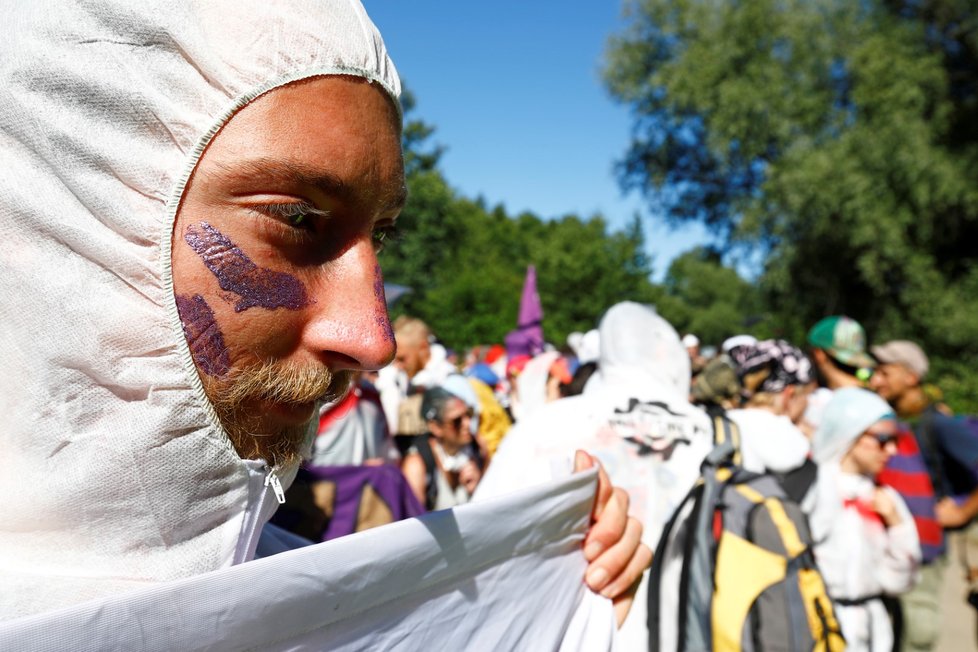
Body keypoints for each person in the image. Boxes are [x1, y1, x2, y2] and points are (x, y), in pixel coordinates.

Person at [0, 0, 646, 633]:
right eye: (296, 219)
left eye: (382, 235)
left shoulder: (310, 600)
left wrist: (552, 609)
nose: (374, 340)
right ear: (58, 215)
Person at [476, 302, 707, 650]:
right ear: (669, 352)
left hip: (573, 637)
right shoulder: (712, 430)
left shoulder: (542, 425)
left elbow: (478, 546)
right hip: (685, 632)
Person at [871, 339, 978, 650]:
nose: (876, 380)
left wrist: (961, 510)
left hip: (925, 553)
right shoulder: (895, 421)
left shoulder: (939, 424)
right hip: (894, 546)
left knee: (917, 634)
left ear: (911, 376)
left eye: (884, 372)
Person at [808, 388, 921, 652]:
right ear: (849, 434)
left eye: (896, 439)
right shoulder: (810, 488)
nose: (892, 449)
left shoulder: (885, 498)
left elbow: (899, 581)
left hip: (872, 633)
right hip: (816, 623)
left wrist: (897, 526)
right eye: (883, 439)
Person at [726, 339, 814, 495]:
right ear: (790, 394)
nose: (808, 403)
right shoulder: (793, 443)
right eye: (807, 395)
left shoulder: (722, 421)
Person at [402, 387, 481, 510]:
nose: (467, 424)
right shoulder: (417, 465)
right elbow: (414, 521)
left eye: (469, 414)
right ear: (435, 427)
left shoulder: (477, 447)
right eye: (457, 421)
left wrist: (479, 485)